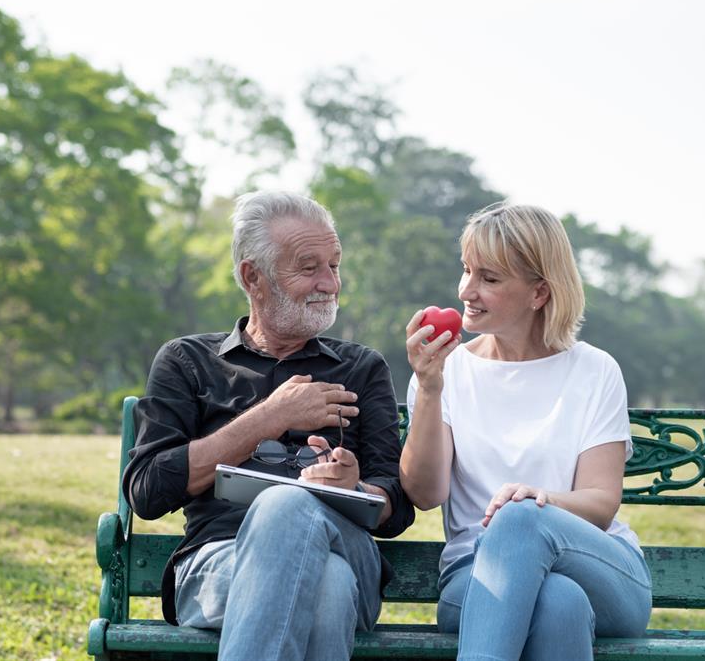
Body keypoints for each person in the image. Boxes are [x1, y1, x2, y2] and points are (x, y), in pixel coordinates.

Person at [123, 191, 415, 661]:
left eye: (334, 265)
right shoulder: (187, 361)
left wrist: (357, 488)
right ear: (252, 277)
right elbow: (148, 491)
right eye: (309, 267)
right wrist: (270, 417)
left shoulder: (362, 368)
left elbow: (396, 506)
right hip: (218, 561)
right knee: (328, 589)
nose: (329, 283)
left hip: (348, 549)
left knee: (291, 511)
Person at [401, 203, 651, 661]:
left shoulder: (594, 370)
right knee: (559, 603)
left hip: (604, 572)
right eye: (467, 271)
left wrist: (538, 502)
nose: (467, 290)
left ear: (539, 293)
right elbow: (424, 492)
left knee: (519, 516)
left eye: (489, 279)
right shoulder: (444, 371)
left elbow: (600, 504)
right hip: (474, 575)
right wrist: (431, 391)